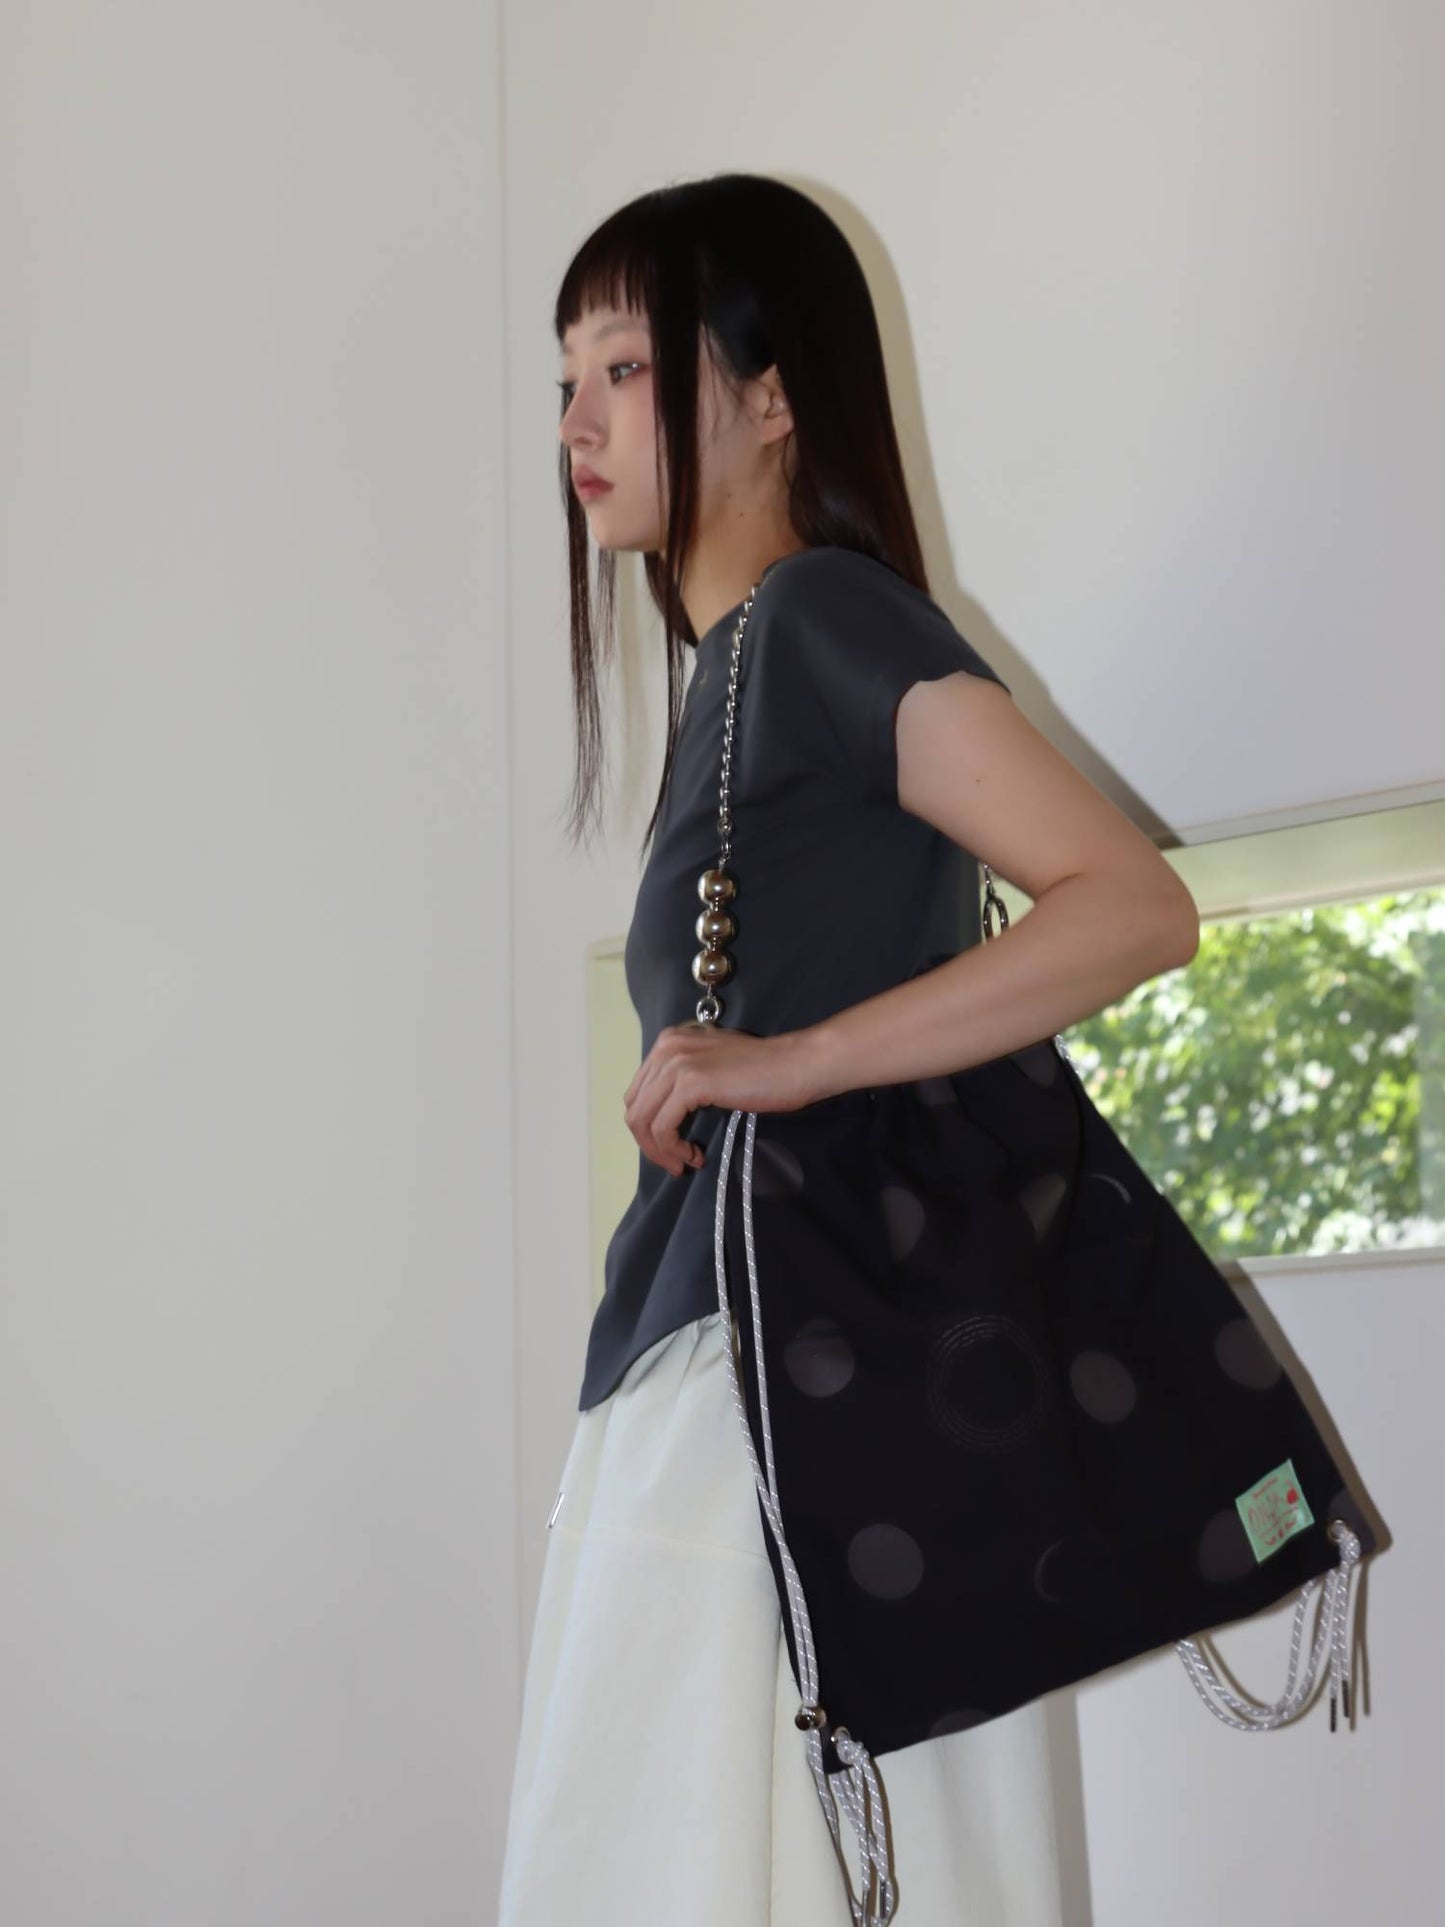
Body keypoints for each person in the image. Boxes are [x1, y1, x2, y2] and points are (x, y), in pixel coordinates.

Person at [497, 173, 1200, 1925]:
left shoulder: (817, 620)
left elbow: (1127, 905)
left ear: (769, 395)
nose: (575, 421)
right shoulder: (740, 672)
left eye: (623, 368)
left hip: (780, 1388)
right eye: (563, 380)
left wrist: (792, 1058)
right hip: (756, 1367)